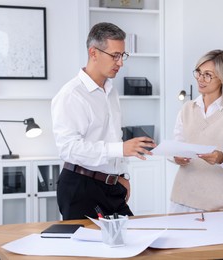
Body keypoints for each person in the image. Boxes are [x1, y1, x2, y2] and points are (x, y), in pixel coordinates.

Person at [51, 22, 156, 220]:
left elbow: (115, 135)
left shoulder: (111, 91)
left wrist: (123, 176)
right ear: (94, 53)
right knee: (89, 250)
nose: (120, 63)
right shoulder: (71, 95)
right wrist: (120, 149)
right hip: (80, 186)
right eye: (115, 55)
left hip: (111, 185)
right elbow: (69, 148)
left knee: (130, 238)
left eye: (122, 55)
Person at [169, 49, 223, 213]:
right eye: (199, 72)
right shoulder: (187, 109)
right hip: (180, 200)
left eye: (207, 74)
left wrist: (222, 159)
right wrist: (177, 157)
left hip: (216, 205)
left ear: (222, 78)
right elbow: (176, 147)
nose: (200, 79)